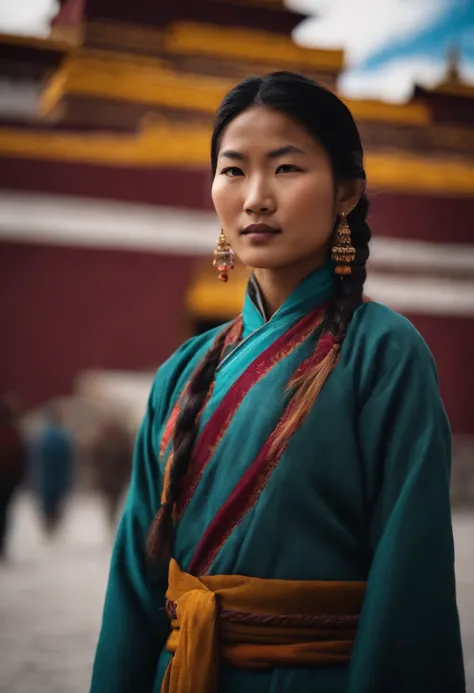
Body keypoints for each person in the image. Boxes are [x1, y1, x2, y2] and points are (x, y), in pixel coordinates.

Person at [90, 72, 465, 693]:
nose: (255, 197)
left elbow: (410, 581)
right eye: (233, 170)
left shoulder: (385, 354)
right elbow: (134, 586)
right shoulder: (182, 372)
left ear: (346, 192)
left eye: (286, 169)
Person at [33, 404, 74, 536]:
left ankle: (48, 525)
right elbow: (69, 461)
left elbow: (35, 460)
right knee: (56, 504)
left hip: (45, 478)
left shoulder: (42, 437)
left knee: (47, 504)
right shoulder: (64, 437)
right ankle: (52, 526)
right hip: (58, 478)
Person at [89, 416, 132, 532]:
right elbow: (95, 459)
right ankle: (111, 517)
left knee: (113, 500)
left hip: (115, 478)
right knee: (111, 500)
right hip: (110, 478)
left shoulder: (120, 440)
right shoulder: (103, 440)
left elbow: (127, 459)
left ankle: (111, 517)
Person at [0, 397, 27, 561]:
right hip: (8, 481)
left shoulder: (14, 433)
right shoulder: (14, 433)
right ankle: (2, 545)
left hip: (8, 479)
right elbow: (21, 458)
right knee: (4, 513)